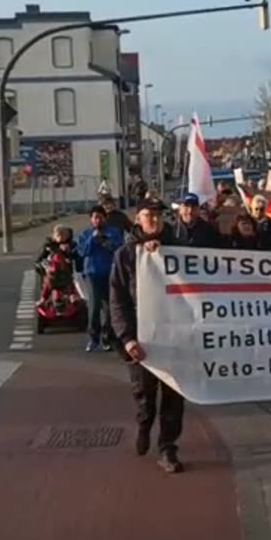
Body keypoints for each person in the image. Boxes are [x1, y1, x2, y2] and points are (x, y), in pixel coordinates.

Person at [109, 198, 185, 473]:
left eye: (157, 215)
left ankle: (167, 447)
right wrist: (127, 338)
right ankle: (144, 423)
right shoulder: (126, 255)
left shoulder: (180, 250)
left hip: (175, 337)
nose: (153, 219)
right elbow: (117, 301)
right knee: (144, 394)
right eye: (147, 215)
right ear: (138, 219)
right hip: (141, 339)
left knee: (174, 396)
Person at [76, 206, 125, 353]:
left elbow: (118, 249)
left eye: (100, 217)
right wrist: (92, 239)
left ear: (105, 218)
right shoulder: (85, 234)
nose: (98, 220)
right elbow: (82, 252)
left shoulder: (113, 232)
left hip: (110, 273)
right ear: (91, 219)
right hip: (92, 274)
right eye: (95, 217)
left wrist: (104, 241)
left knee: (110, 308)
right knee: (94, 306)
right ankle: (93, 338)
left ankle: (107, 337)